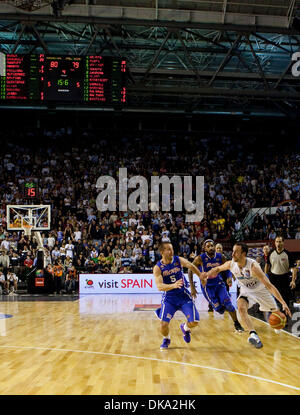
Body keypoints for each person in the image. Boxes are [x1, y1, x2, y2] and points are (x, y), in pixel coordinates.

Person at [205, 242, 292, 349]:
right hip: (246, 291)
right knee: (241, 307)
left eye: (236, 252)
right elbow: (217, 269)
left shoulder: (253, 267)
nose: (232, 254)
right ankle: (253, 334)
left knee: (277, 316)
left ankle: (277, 323)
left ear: (244, 254)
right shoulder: (231, 264)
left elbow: (269, 286)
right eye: (233, 251)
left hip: (261, 291)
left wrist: (283, 302)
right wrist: (207, 274)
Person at [153, 241, 207, 350]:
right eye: (168, 249)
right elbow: (159, 286)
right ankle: (166, 338)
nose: (171, 251)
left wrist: (200, 275)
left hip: (183, 296)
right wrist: (173, 285)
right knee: (163, 324)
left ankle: (185, 328)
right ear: (162, 252)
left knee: (194, 322)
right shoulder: (158, 267)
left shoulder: (178, 260)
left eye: (172, 248)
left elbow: (191, 266)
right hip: (169, 299)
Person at [188, 239, 243, 333]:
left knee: (229, 305)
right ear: (204, 248)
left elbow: (227, 268)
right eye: (208, 246)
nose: (211, 247)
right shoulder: (200, 258)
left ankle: (237, 324)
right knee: (219, 310)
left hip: (219, 284)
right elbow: (190, 269)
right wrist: (192, 287)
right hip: (207, 287)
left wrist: (229, 277)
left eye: (212, 245)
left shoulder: (221, 257)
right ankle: (222, 304)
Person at [264, 235, 298, 309]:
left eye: (280, 242)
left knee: (285, 296)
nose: (278, 243)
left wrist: (293, 281)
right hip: (273, 277)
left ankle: (286, 310)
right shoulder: (271, 253)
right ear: (275, 243)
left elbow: (294, 268)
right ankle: (274, 310)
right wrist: (265, 277)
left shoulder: (288, 254)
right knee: (272, 295)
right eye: (276, 242)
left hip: (284, 277)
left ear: (283, 242)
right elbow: (267, 265)